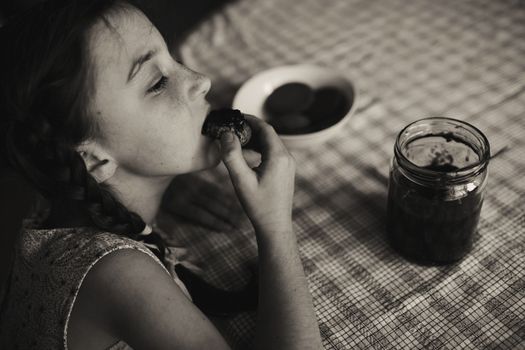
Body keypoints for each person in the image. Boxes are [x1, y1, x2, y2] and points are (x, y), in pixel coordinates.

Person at [0, 0, 323, 349]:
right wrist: (275, 225)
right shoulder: (119, 276)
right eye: (156, 83)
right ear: (93, 161)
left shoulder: (61, 185)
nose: (202, 81)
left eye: (173, 58)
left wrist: (162, 182)